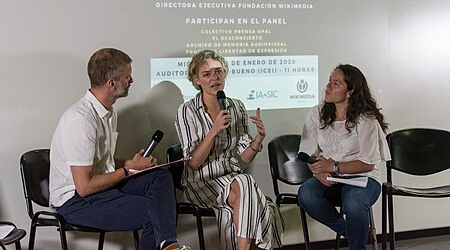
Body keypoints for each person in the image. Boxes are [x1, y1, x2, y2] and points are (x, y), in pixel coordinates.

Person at [49, 48, 189, 250]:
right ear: (111, 83)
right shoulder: (80, 120)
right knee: (154, 214)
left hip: (100, 187)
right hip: (75, 201)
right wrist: (129, 170)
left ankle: (168, 244)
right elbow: (85, 187)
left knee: (159, 176)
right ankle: (168, 244)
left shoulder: (108, 112)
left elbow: (101, 163)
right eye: (127, 76)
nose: (131, 81)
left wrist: (131, 164)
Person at [175, 50, 284, 250]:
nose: (214, 78)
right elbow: (193, 162)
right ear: (197, 80)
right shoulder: (187, 110)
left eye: (218, 72)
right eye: (207, 74)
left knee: (253, 198)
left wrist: (258, 139)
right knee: (256, 200)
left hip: (232, 180)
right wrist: (214, 130)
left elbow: (245, 156)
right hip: (201, 181)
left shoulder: (236, 106)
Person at [297, 64, 391, 250]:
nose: (328, 87)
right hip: (331, 178)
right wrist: (317, 172)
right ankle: (355, 233)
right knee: (306, 193)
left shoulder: (366, 119)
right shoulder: (318, 112)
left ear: (350, 92)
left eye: (336, 83)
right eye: (329, 82)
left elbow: (367, 164)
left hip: (363, 179)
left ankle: (358, 244)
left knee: (354, 204)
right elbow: (308, 153)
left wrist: (332, 167)